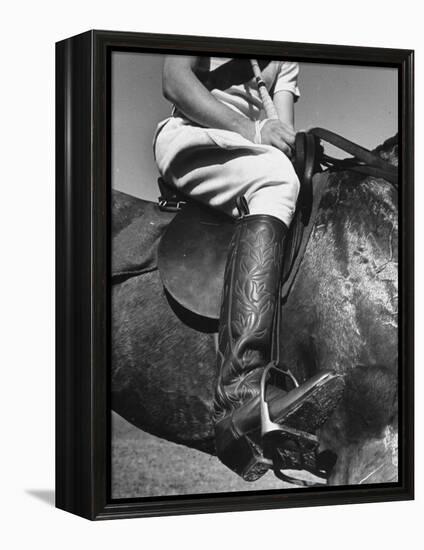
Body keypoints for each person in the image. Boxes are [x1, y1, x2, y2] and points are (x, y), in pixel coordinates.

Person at [153, 57, 343, 480]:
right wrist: (255, 131)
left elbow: (282, 126)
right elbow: (174, 80)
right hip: (194, 139)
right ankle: (240, 393)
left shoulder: (285, 57)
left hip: (250, 152)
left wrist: (287, 143)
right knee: (278, 180)